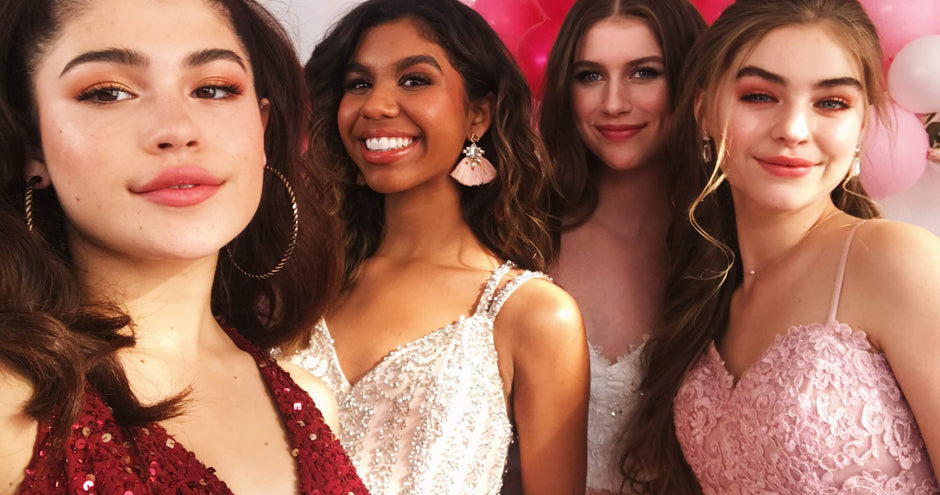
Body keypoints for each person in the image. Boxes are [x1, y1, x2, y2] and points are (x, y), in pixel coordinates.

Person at [0, 0, 367, 493]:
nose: (178, 129)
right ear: (32, 145)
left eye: (214, 89)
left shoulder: (312, 400)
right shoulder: (11, 404)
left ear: (261, 129)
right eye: (108, 92)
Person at [622, 0, 940, 493]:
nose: (793, 130)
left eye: (831, 103)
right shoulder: (710, 290)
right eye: (759, 96)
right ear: (704, 109)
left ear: (861, 124)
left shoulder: (896, 261)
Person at [287, 0, 590, 493]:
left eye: (414, 80)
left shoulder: (531, 314)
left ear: (479, 114)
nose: (376, 106)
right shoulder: (304, 281)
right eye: (358, 84)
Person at [537, 0, 704, 492]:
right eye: (589, 76)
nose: (613, 103)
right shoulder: (520, 232)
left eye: (644, 73)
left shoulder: (731, 239)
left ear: (692, 82)